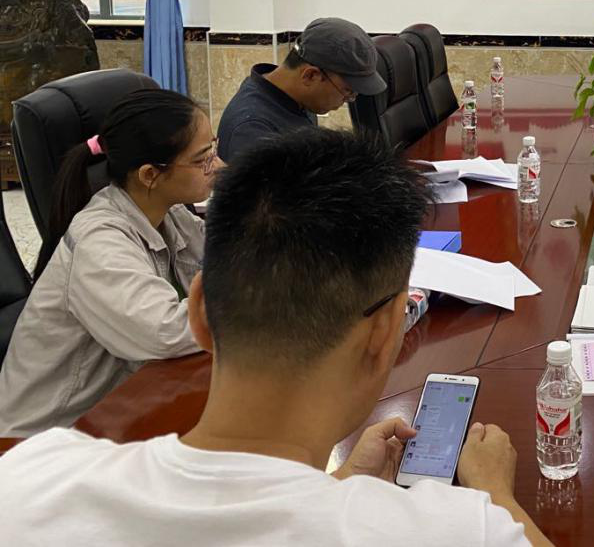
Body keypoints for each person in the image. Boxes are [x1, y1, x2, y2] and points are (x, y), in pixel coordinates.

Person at [0, 128, 551, 547]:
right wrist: (495, 495)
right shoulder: (456, 531)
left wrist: (340, 481)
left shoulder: (31, 478)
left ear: (200, 314)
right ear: (387, 331)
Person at [0, 89, 220, 436]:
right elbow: (164, 331)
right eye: (203, 158)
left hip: (118, 408)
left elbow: (221, 252)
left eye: (213, 149)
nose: (217, 166)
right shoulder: (100, 241)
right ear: (150, 174)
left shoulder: (167, 212)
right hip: (41, 438)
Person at [216, 17, 387, 163]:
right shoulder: (252, 131)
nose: (349, 99)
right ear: (311, 76)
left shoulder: (299, 100)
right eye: (348, 91)